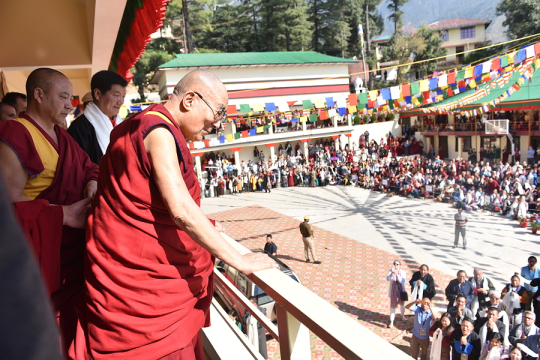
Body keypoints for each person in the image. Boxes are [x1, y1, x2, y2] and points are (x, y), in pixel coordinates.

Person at [80, 70, 277, 359]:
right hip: (143, 294)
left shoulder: (140, 123)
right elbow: (181, 210)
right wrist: (238, 259)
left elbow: (150, 201)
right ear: (189, 100)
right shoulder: (157, 131)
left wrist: (207, 227)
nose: (217, 124)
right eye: (217, 112)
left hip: (131, 276)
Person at [0, 68, 99, 356]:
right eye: (63, 97)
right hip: (40, 253)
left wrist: (92, 183)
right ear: (39, 95)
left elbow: (88, 166)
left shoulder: (62, 135)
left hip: (72, 250)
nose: (70, 104)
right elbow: (8, 207)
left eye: (71, 97)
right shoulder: (14, 134)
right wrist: (64, 215)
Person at [67, 70, 128, 165]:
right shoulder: (79, 129)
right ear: (98, 94)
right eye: (116, 95)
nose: (121, 101)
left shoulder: (121, 124)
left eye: (123, 96)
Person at [387, 259, 407, 328]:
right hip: (393, 292)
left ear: (400, 266)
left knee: (402, 305)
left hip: (402, 291)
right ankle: (391, 320)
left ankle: (402, 315)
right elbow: (388, 278)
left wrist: (397, 274)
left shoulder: (403, 272)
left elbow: (402, 281)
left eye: (397, 264)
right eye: (395, 264)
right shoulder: (390, 271)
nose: (396, 266)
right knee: (393, 306)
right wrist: (392, 273)